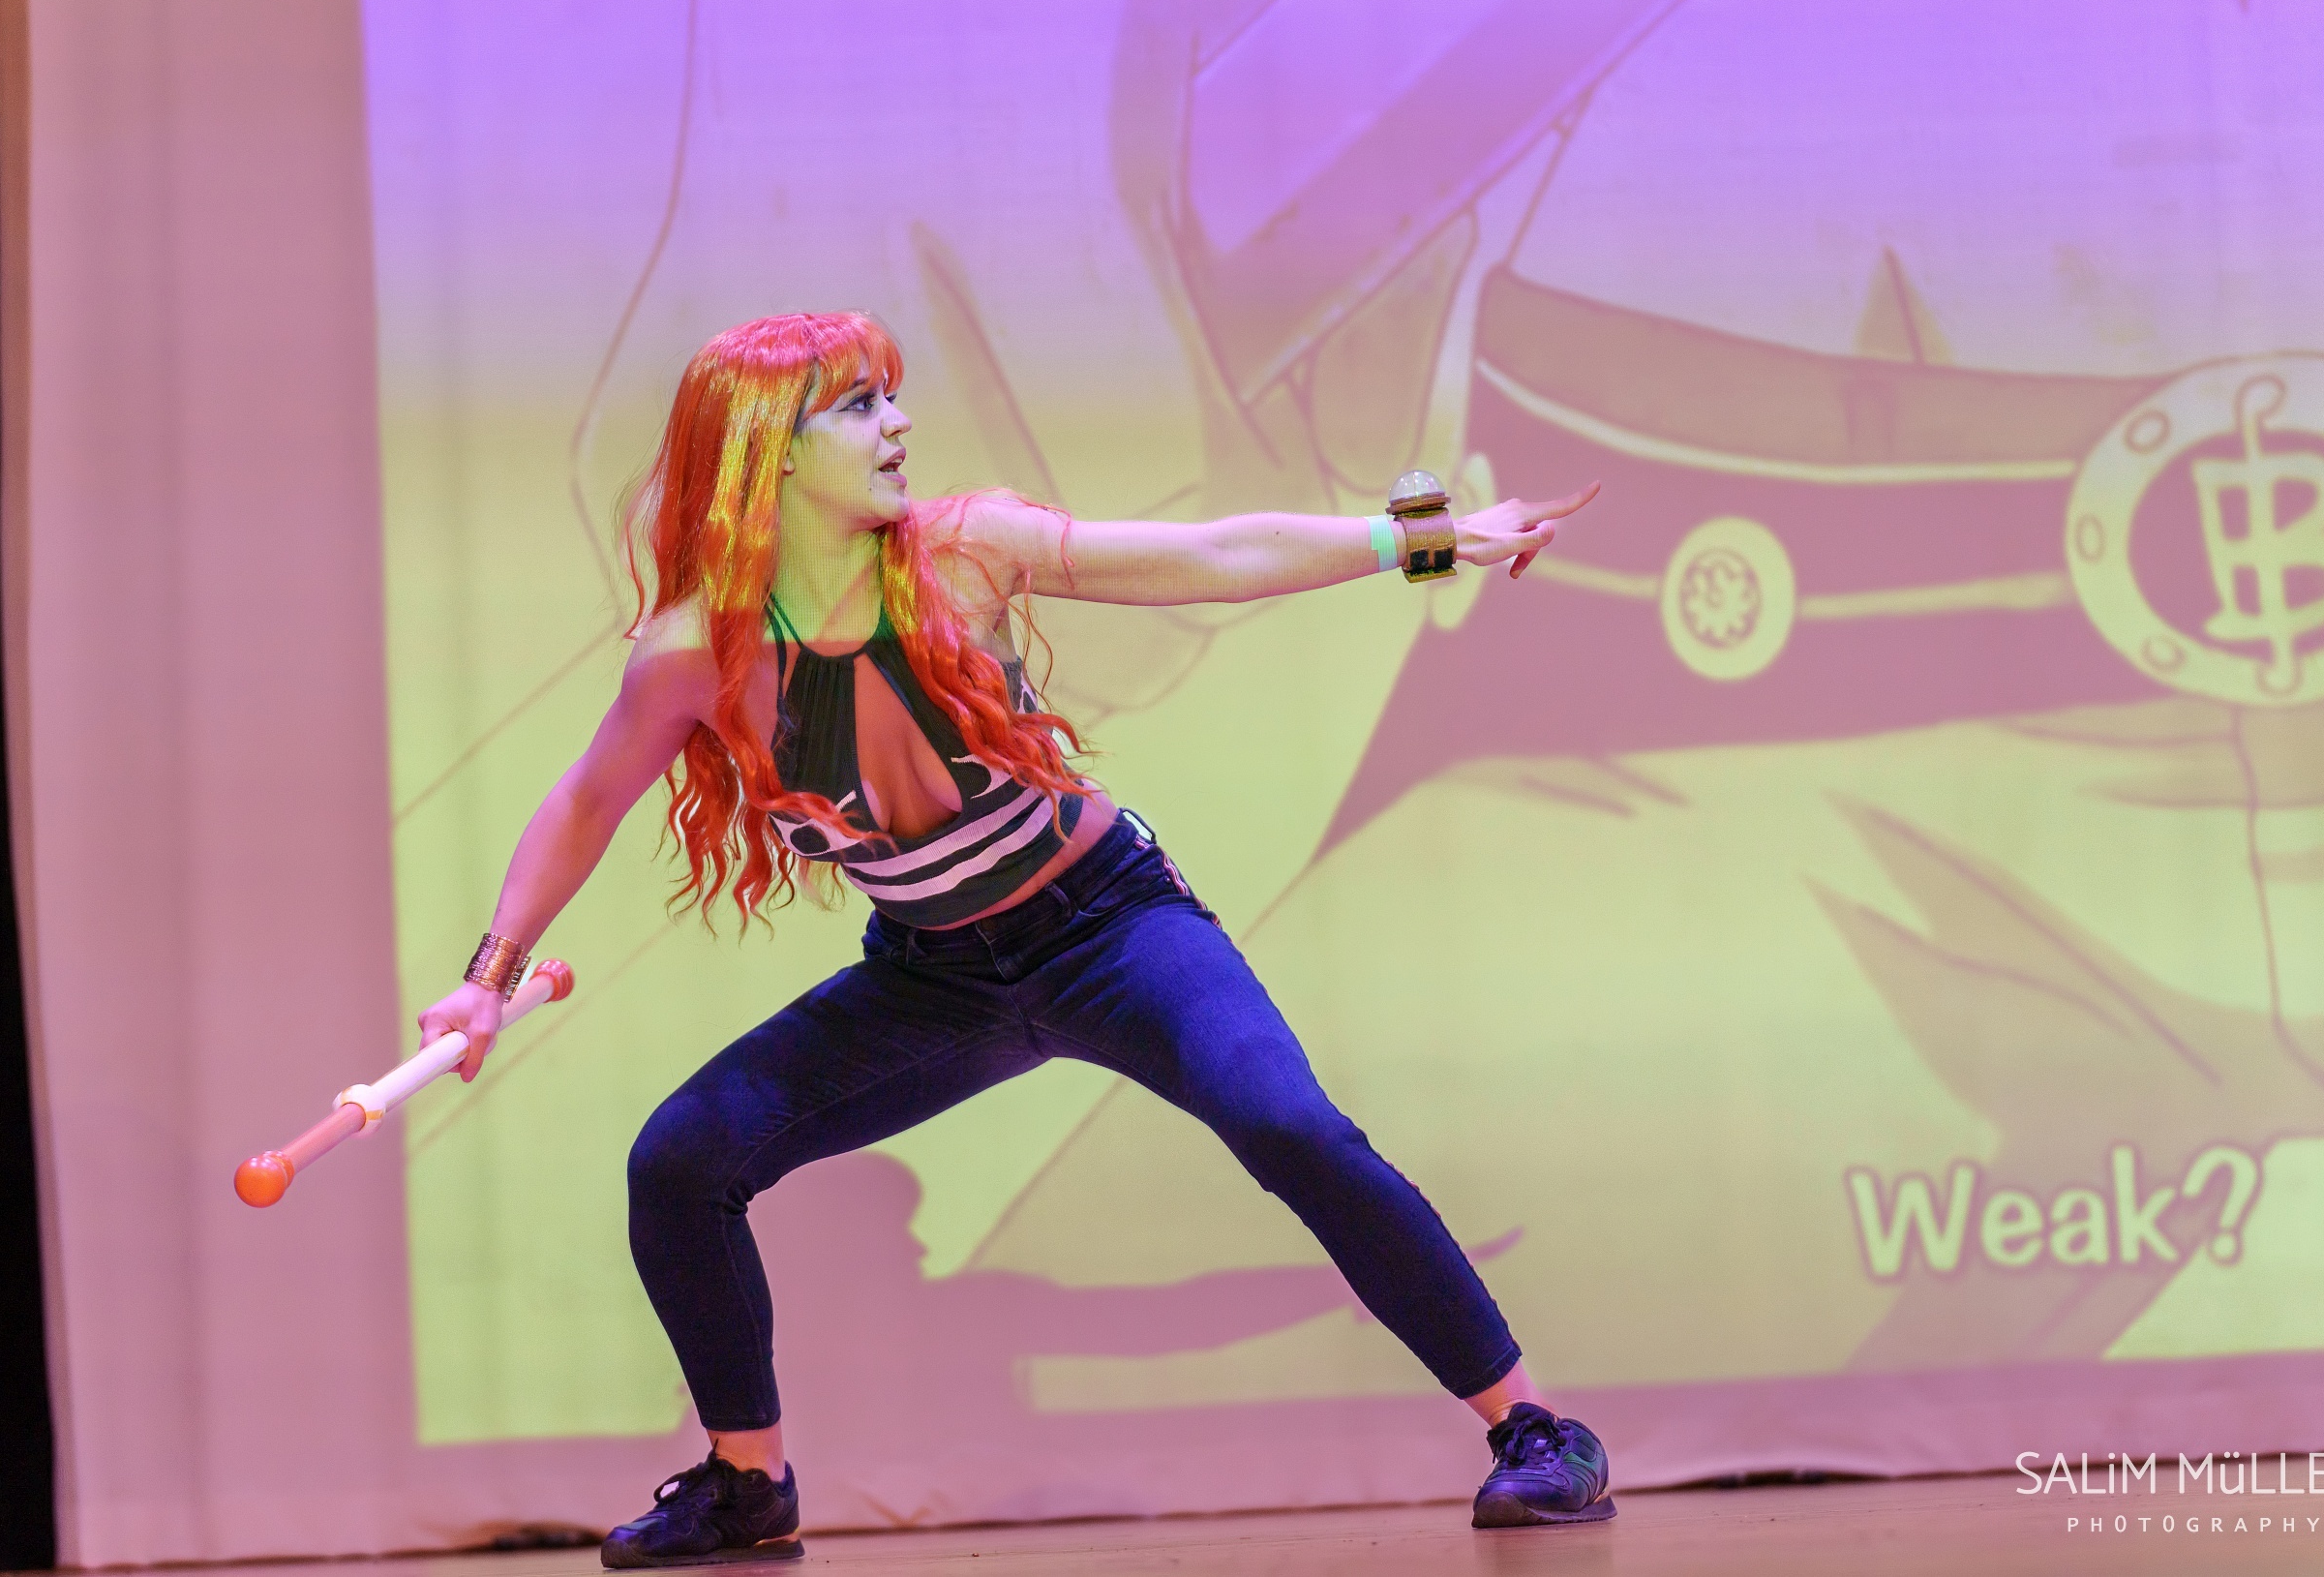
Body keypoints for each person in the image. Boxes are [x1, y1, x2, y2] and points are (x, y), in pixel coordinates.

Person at [413, 312, 1609, 1564]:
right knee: (678, 1162)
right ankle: (748, 1485)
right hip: (933, 979)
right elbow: (587, 801)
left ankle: (1536, 1430)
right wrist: (487, 980)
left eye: (891, 397)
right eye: (860, 406)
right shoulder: (694, 651)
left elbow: (1207, 553)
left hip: (1110, 928)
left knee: (1291, 1128)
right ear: (771, 449)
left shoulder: (963, 553)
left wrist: (1424, 537)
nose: (899, 424)